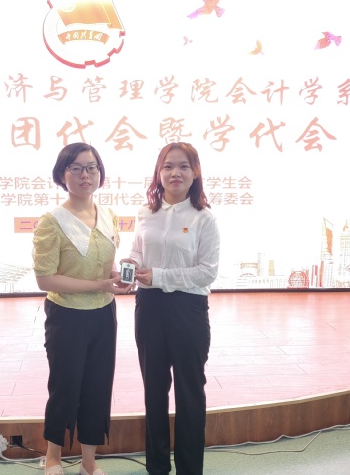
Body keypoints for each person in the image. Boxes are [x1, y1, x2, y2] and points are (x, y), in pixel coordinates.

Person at [32, 142, 133, 475]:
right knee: (65, 387)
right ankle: (53, 458)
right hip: (66, 316)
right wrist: (98, 285)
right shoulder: (52, 221)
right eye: (76, 168)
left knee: (98, 387)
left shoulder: (108, 215)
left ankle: (89, 463)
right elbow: (45, 279)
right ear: (63, 175)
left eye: (91, 167)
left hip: (104, 314)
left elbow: (105, 265)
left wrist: (115, 277)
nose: (85, 174)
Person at [121, 142, 220, 475]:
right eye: (168, 166)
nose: (175, 173)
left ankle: (190, 469)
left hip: (188, 309)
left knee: (190, 392)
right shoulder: (146, 213)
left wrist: (160, 275)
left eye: (183, 166)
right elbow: (138, 251)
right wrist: (130, 264)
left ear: (195, 172)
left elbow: (207, 272)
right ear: (158, 172)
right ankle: (157, 467)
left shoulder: (204, 218)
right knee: (154, 390)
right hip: (149, 307)